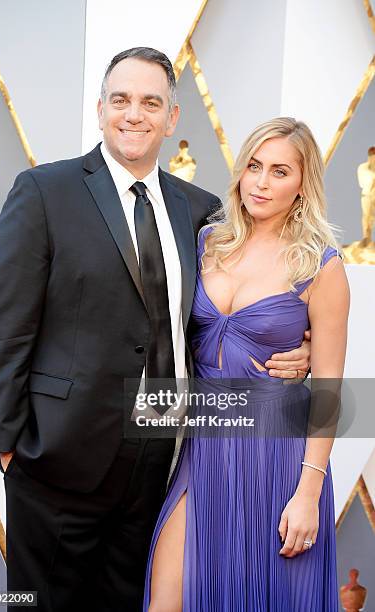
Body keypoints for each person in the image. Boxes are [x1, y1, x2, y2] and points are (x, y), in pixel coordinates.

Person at [0, 48, 310, 612]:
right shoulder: (43, 192)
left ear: (172, 117)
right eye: (122, 100)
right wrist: (9, 443)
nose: (135, 114)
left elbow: (235, 304)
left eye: (150, 102)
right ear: (100, 108)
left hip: (162, 461)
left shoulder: (202, 211)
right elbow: (1, 321)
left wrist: (296, 348)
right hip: (56, 458)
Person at [145, 117, 350, 612]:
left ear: (303, 184)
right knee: (166, 600)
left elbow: (328, 391)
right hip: (202, 450)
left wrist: (308, 492)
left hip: (279, 462)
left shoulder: (321, 267)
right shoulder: (205, 243)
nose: (261, 182)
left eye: (280, 171)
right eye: (254, 166)